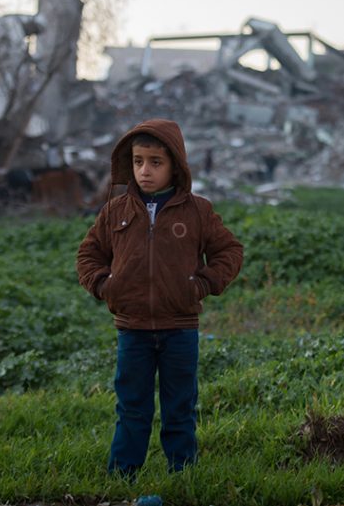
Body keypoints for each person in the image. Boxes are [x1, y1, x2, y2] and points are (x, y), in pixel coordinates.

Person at [76, 119, 244, 478]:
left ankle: (183, 475)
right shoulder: (115, 211)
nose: (145, 171)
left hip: (180, 330)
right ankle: (123, 476)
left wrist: (202, 284)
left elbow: (229, 251)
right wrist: (106, 286)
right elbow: (87, 255)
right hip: (132, 331)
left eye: (155, 162)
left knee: (179, 408)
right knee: (132, 408)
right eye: (138, 162)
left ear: (176, 165)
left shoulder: (197, 211)